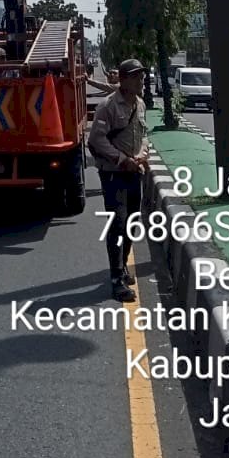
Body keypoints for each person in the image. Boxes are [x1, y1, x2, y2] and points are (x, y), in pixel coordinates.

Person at [87, 58, 150, 302]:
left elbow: (143, 134)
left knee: (132, 222)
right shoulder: (108, 106)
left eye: (141, 76)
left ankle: (122, 266)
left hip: (135, 171)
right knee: (118, 224)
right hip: (114, 173)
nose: (140, 80)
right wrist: (122, 159)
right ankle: (116, 279)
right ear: (123, 80)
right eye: (135, 76)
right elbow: (97, 139)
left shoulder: (141, 104)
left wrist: (142, 154)